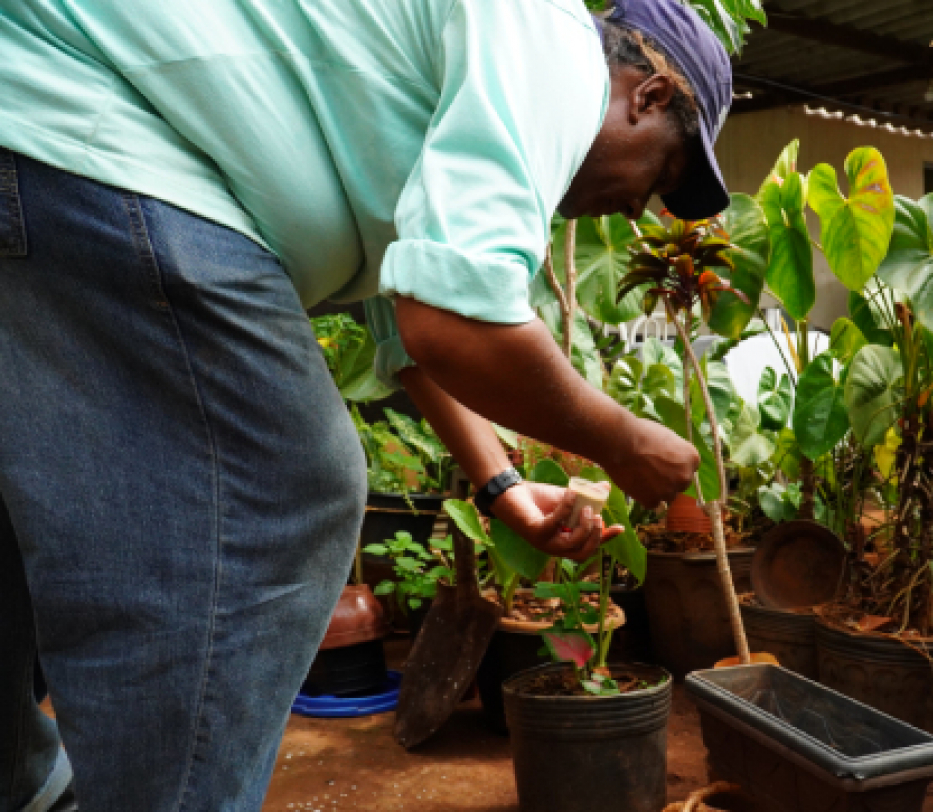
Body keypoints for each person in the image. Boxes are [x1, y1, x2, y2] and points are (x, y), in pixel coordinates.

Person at [0, 0, 733, 809]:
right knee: (275, 490)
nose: (636, 212)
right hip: (85, 128)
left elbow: (413, 331)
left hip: (33, 130)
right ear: (650, 95)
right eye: (658, 177)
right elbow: (454, 321)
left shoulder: (442, 115)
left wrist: (504, 490)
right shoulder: (552, 41)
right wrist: (621, 439)